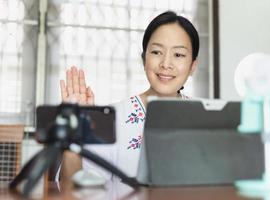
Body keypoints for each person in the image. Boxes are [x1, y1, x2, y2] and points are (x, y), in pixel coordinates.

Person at [59, 11, 200, 181]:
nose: (166, 64)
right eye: (156, 52)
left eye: (178, 55)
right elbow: (74, 188)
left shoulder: (205, 119)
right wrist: (75, 132)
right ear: (144, 59)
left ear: (192, 66)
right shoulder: (111, 118)